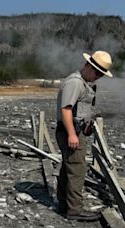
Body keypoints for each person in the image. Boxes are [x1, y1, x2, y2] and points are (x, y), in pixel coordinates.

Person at [56, 50, 113, 221]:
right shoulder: (75, 83)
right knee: (77, 170)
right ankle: (75, 210)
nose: (98, 76)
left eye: (101, 74)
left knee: (69, 168)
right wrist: (72, 134)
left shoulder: (84, 83)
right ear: (88, 65)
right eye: (97, 72)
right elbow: (66, 109)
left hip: (75, 130)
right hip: (70, 131)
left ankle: (64, 204)